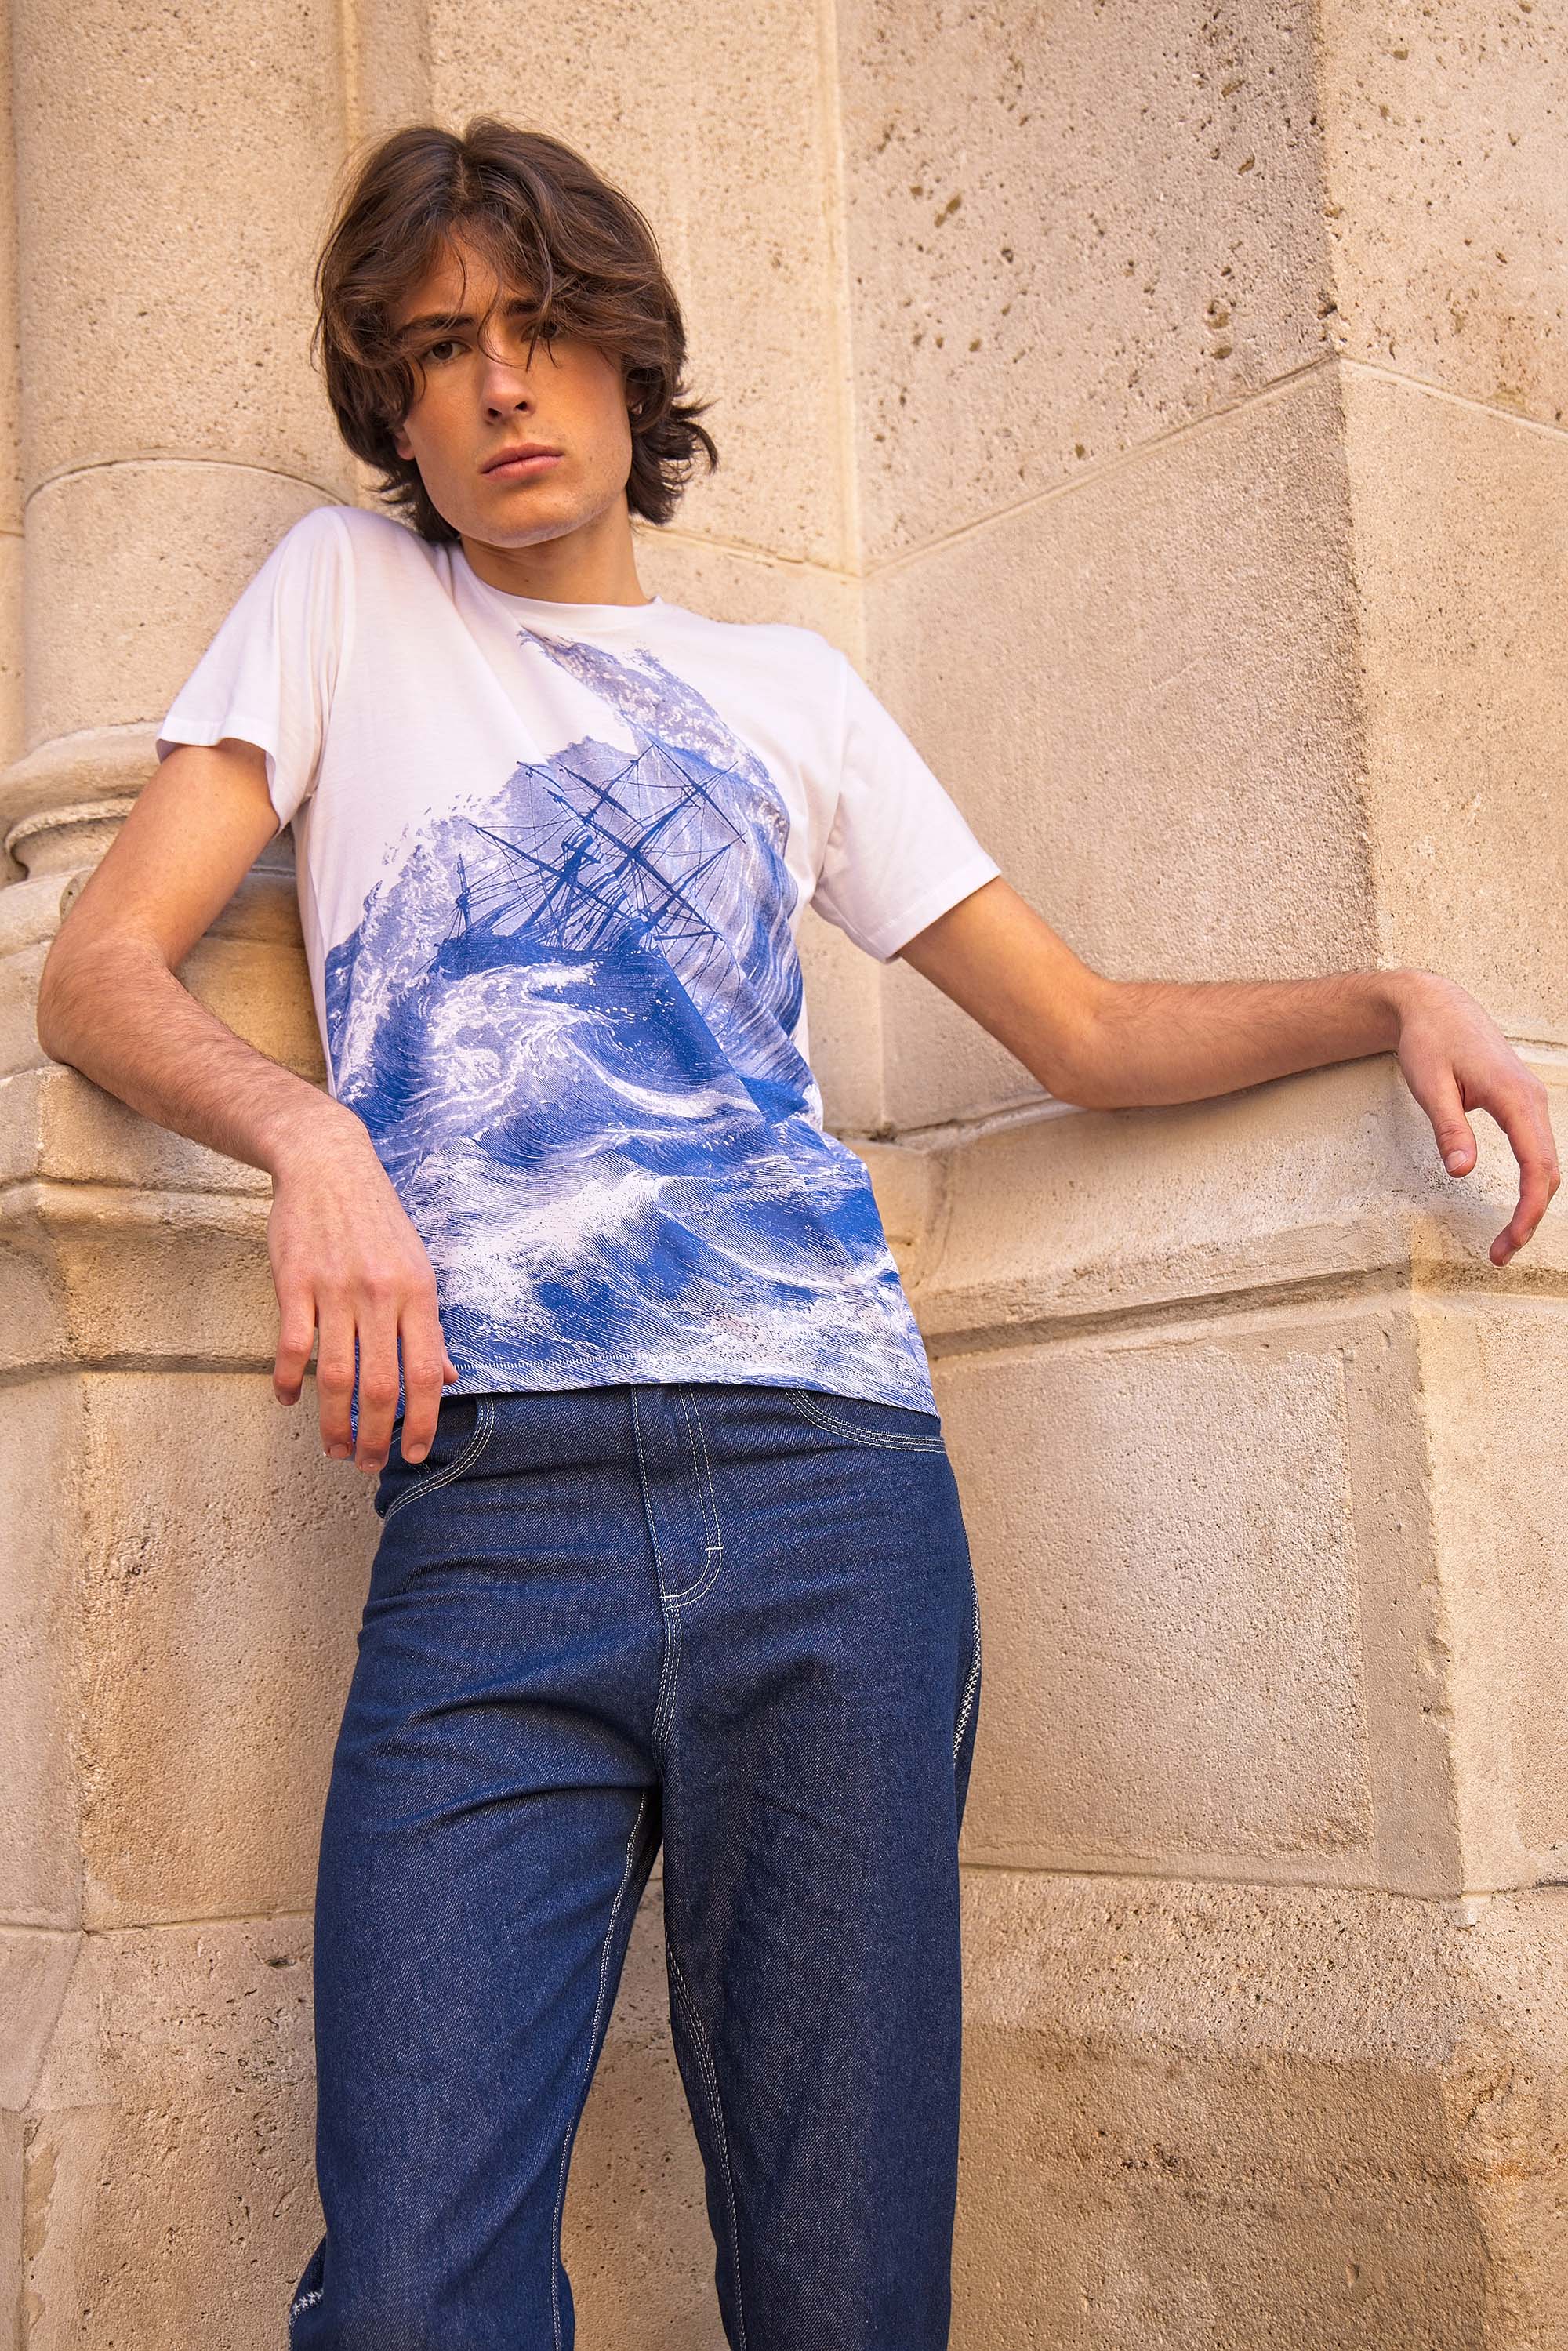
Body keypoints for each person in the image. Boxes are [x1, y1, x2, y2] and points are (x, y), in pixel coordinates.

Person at [34, 114, 1558, 2351]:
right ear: (396, 407)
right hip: (492, 1513)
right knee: (414, 2292)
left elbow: (1086, 1027)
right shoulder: (340, 598)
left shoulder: (793, 696)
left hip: (831, 1491)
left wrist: (1390, 998)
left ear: (630, 357)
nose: (500, 385)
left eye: (541, 327)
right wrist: (312, 1141)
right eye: (440, 350)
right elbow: (97, 970)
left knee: (847, 2292)